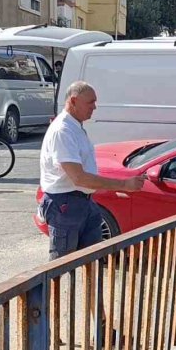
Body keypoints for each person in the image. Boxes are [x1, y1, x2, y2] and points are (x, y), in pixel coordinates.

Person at [39, 81, 144, 260]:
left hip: (82, 202)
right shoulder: (63, 130)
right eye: (90, 102)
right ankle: (41, 289)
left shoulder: (74, 126)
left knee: (93, 260)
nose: (95, 107)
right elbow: (79, 178)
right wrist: (124, 185)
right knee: (58, 266)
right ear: (73, 101)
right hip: (65, 204)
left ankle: (84, 288)